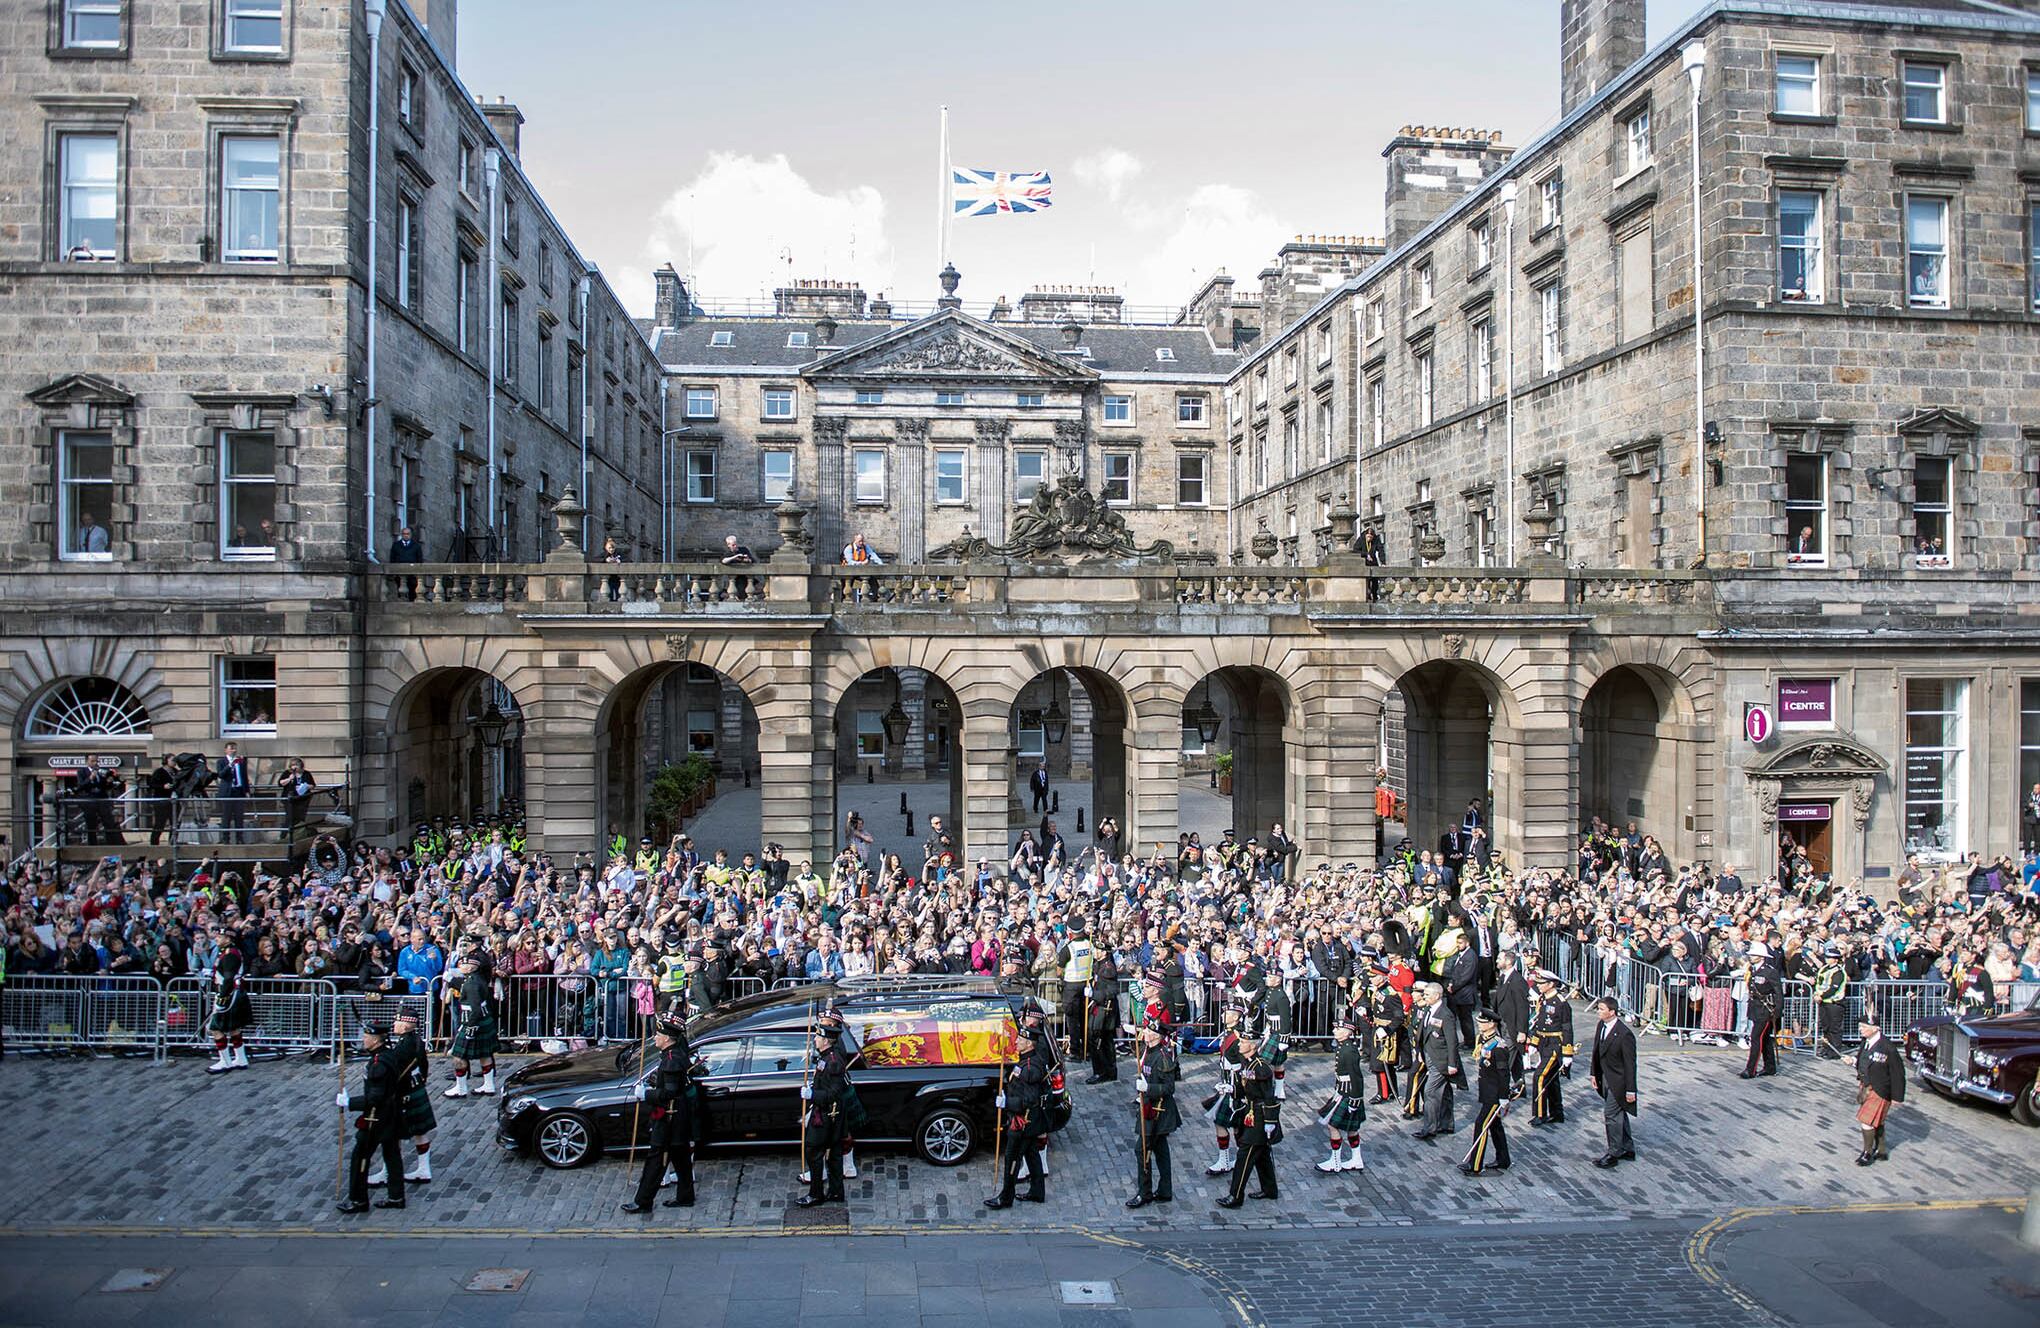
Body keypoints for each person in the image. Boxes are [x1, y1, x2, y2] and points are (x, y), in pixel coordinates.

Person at [623, 1014, 698, 1212]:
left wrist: (647, 1093)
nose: (655, 1037)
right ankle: (685, 1196)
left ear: (667, 1038)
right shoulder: (671, 1055)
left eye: (658, 1034)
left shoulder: (672, 1060)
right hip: (677, 1117)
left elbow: (670, 1092)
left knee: (656, 1159)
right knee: (681, 1159)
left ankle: (643, 1200)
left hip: (670, 1117)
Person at [335, 1022, 407, 1213]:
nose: (363, 1039)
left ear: (375, 1040)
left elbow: (375, 1097)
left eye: (366, 1037)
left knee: (360, 1157)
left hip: (377, 1117)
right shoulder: (387, 1056)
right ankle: (396, 1196)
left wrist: (349, 1103)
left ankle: (358, 1199)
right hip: (391, 1114)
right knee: (392, 1156)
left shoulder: (378, 1065)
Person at [985, 1014, 1049, 1209]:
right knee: (1031, 1154)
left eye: (1020, 1039)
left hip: (1023, 1121)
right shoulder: (1027, 1061)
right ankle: (1037, 1191)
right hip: (1029, 1121)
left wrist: (1007, 1103)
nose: (1016, 1041)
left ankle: (1006, 1197)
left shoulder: (1029, 1068)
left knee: (1012, 1158)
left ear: (1029, 1044)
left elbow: (1028, 1100)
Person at [368, 1007, 436, 1187]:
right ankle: (423, 1168)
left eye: (397, 1021)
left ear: (406, 1026)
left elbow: (393, 1068)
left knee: (393, 1134)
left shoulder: (404, 1046)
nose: (394, 1024)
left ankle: (388, 1172)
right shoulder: (415, 1041)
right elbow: (425, 1066)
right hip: (415, 1087)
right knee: (419, 1132)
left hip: (404, 1092)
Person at [1216, 1028, 1278, 1207]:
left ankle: (1235, 1195)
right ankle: (1270, 1189)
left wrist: (1270, 1122)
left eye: (1243, 1042)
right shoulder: (1248, 1063)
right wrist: (1231, 1089)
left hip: (1260, 1117)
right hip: (1250, 1112)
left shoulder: (1261, 1068)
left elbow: (1269, 1096)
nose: (1240, 1044)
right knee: (1262, 1155)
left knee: (1245, 1156)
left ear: (1252, 1046)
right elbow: (1245, 1087)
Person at [798, 1019, 854, 1207]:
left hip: (828, 1116)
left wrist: (812, 1094)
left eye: (818, 1036)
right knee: (834, 1156)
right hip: (831, 1115)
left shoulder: (833, 1062)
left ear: (827, 1040)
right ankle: (836, 1192)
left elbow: (833, 1094)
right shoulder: (826, 1058)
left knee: (814, 1152)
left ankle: (816, 1194)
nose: (815, 1039)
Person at [1126, 1020, 1179, 1208]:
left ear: (1156, 1035)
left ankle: (1144, 1192)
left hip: (1159, 1111)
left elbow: (1169, 1087)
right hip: (1149, 1107)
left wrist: (1149, 1088)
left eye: (1148, 1031)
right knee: (1160, 1150)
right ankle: (1165, 1190)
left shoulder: (1163, 1057)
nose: (1145, 1033)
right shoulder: (1148, 1051)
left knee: (1142, 1150)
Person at [1459, 1010, 1512, 1176]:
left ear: (1491, 1024)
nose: (1479, 1025)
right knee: (1494, 1125)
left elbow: (1504, 1074)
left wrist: (1504, 1097)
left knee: (1481, 1124)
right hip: (1487, 1089)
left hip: (1495, 1093)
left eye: (1482, 1023)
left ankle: (1475, 1164)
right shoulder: (1483, 1039)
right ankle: (1503, 1159)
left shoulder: (1499, 1046)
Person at [1589, 995, 1638, 1167]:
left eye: (1602, 1009)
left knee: (1611, 1114)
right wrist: (1594, 1073)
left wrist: (1631, 1090)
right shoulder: (1601, 1025)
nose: (1598, 1012)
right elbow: (1596, 1051)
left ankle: (1614, 1152)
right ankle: (1627, 1147)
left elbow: (1630, 1065)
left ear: (1612, 1012)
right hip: (1605, 1077)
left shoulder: (1625, 1035)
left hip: (1619, 1082)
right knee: (1618, 1113)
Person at [1316, 1015, 1368, 1174]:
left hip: (1348, 1093)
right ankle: (1356, 1159)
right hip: (1342, 1091)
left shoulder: (1349, 1050)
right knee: (1352, 1129)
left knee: (1333, 1125)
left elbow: (1356, 1077)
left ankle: (1335, 1161)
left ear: (1347, 1033)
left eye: (1338, 1029)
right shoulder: (1343, 1046)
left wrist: (1355, 1100)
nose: (1334, 1030)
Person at [1852, 1010, 1904, 1166]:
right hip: (1866, 1086)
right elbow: (1863, 1062)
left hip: (1880, 1089)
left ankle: (1867, 1153)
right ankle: (1881, 1150)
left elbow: (1898, 1073)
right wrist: (1853, 1061)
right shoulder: (1865, 1042)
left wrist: (1897, 1097)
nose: (1860, 1029)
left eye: (1864, 1026)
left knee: (1866, 1121)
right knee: (1877, 1121)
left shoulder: (1888, 1048)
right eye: (1860, 1026)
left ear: (1875, 1028)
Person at [443, 951, 498, 1097]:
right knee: (485, 1054)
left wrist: (470, 1028)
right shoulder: (476, 979)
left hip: (473, 1022)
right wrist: (450, 980)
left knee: (458, 1055)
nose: (461, 965)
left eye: (464, 963)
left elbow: (475, 1009)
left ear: (472, 967)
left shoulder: (472, 983)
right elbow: (463, 985)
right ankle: (489, 1085)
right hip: (483, 1021)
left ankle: (461, 1088)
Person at [1412, 981, 1461, 1141]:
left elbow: (1452, 1041)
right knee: (1445, 1092)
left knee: (1430, 1092)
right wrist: (1420, 1051)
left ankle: (1430, 1128)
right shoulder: (1428, 1009)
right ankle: (1446, 1124)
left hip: (1441, 1059)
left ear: (1437, 996)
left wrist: (1452, 1063)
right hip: (1429, 1055)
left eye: (1426, 995)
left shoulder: (1445, 1014)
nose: (1423, 997)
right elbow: (1422, 1032)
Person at [1526, 969, 1575, 1125]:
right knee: (1551, 1079)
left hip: (1555, 1045)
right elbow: (1540, 1023)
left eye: (1542, 984)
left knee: (1539, 1076)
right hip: (1543, 1043)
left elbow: (1567, 1028)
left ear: (1551, 984)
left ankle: (1540, 1113)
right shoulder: (1543, 999)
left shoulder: (1560, 1003)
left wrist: (1568, 1053)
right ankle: (1557, 1112)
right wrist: (1534, 1042)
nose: (1539, 986)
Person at [204, 941, 254, 1074]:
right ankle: (240, 1058)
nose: (217, 939)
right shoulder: (229, 952)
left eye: (220, 936)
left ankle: (225, 1061)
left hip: (229, 994)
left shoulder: (230, 954)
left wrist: (222, 997)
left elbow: (228, 977)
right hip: (234, 993)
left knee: (215, 1028)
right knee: (233, 1028)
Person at [1740, 940, 1784, 1079]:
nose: (1751, 956)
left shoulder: (1770, 972)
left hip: (1766, 1010)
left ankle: (1750, 1069)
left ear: (1761, 956)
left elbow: (1778, 993)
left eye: (1754, 954)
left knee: (1756, 1037)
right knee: (1764, 1039)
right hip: (1755, 1007)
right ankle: (1770, 1067)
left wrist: (1777, 1011)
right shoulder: (1752, 969)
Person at [1086, 935, 1120, 1084]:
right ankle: (1108, 1071)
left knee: (1099, 1041)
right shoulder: (1099, 964)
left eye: (1098, 949)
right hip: (1099, 1007)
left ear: (1104, 952)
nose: (1095, 951)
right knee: (1105, 1041)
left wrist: (1094, 994)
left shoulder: (1108, 969)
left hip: (1104, 1010)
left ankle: (1101, 1072)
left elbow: (1111, 991)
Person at [1812, 944, 1848, 1059]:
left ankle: (1834, 1052)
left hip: (1834, 1003)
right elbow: (1819, 983)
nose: (1826, 959)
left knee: (1834, 1029)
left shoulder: (1839, 971)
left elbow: (1834, 987)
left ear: (1835, 959)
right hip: (1823, 1002)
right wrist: (1816, 994)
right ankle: (1827, 1049)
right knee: (1826, 1028)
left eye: (1829, 957)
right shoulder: (1824, 969)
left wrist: (1821, 995)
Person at [215, 741, 252, 844]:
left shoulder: (241, 761)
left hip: (238, 791)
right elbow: (221, 775)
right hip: (227, 792)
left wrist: (247, 791)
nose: (234, 750)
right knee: (226, 816)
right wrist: (230, 765)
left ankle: (239, 838)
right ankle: (225, 838)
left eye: (235, 748)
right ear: (226, 750)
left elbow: (244, 776)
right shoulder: (221, 761)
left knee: (239, 816)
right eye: (231, 748)